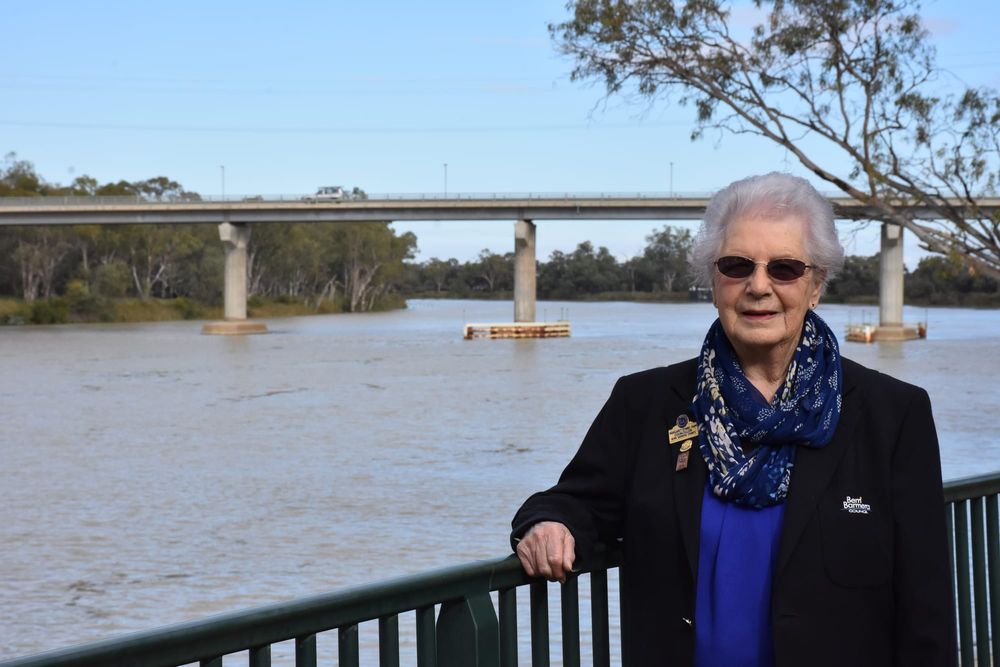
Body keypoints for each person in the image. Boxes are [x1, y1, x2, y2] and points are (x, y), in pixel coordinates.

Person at [510, 173, 955, 667]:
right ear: (714, 280)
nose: (758, 286)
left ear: (815, 286)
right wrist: (549, 522)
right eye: (737, 266)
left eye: (784, 268)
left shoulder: (893, 414)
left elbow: (926, 613)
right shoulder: (646, 403)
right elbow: (577, 501)